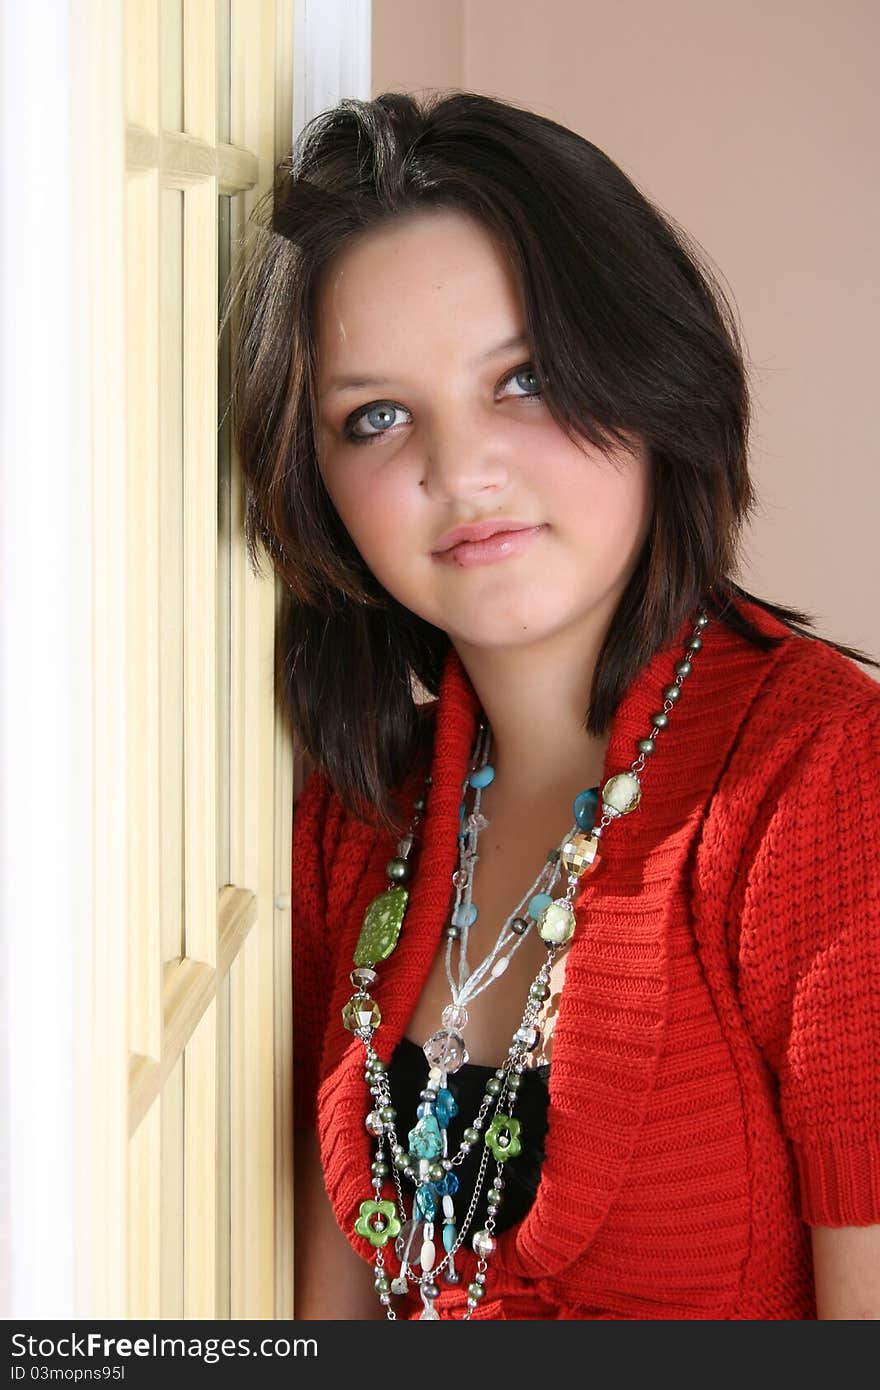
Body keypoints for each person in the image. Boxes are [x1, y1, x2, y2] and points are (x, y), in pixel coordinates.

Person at [227, 91, 880, 1320]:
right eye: (375, 416)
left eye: (520, 378)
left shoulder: (822, 781)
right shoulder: (355, 809)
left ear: (643, 370)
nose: (458, 471)